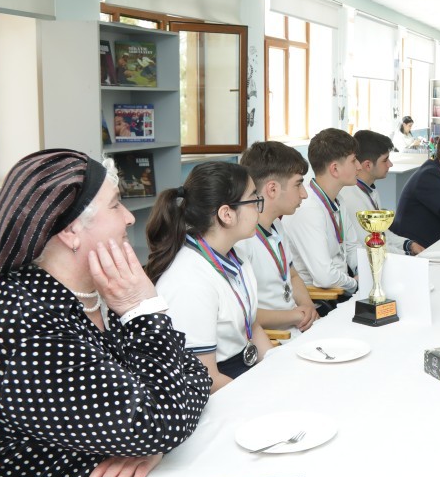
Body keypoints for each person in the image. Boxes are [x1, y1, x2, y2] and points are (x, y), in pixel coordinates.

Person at [0, 149, 210, 477]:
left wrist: (152, 439)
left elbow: (193, 376)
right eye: (116, 205)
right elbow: (160, 417)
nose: (129, 219)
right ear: (72, 232)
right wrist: (143, 312)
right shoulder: (17, 320)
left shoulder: (94, 293)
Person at [148, 161, 272, 392]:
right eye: (253, 199)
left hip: (245, 373)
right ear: (226, 214)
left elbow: (252, 325)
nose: (259, 206)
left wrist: (277, 367)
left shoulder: (236, 256)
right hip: (218, 388)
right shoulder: (189, 281)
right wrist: (263, 396)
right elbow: (206, 378)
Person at [234, 141, 322, 335]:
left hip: (296, 327)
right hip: (274, 337)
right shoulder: (241, 240)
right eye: (298, 184)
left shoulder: (277, 225)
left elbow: (292, 275)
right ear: (272, 189)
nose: (304, 194)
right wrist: (295, 315)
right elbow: (241, 313)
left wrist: (307, 306)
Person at [280, 128, 360, 297]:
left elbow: (353, 248)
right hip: (320, 300)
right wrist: (356, 283)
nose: (359, 166)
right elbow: (325, 277)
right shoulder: (308, 208)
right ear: (335, 169)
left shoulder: (338, 200)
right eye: (354, 161)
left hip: (342, 288)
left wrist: (366, 273)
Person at [340, 130, 424, 256]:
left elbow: (382, 233)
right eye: (385, 160)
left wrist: (408, 244)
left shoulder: (369, 189)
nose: (390, 164)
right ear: (368, 165)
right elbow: (372, 246)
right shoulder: (351, 198)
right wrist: (408, 255)